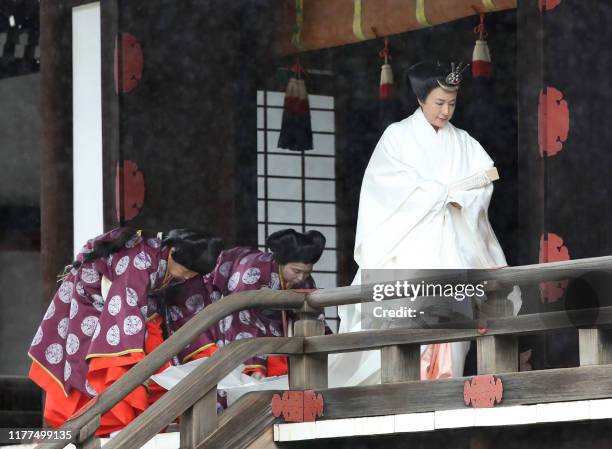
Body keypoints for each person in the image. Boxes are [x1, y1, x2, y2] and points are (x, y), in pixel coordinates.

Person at [339, 61, 519, 382]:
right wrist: (434, 194)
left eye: (451, 103)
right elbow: (385, 188)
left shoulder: (464, 142)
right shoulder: (397, 137)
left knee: (453, 326)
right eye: (439, 103)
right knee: (407, 322)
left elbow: (483, 184)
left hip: (452, 243)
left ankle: (446, 387)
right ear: (421, 99)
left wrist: (460, 198)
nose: (446, 111)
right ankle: (401, 387)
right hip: (409, 244)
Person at [27, 227, 222, 435]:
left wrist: (205, 355)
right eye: (187, 268)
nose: (188, 275)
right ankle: (89, 423)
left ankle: (144, 417)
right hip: (92, 303)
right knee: (95, 363)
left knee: (158, 357)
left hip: (135, 311)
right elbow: (125, 310)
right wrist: (137, 364)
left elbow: (190, 310)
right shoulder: (138, 259)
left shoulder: (183, 272)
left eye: (195, 272)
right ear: (172, 251)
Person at [166, 228, 326, 389]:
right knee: (216, 367)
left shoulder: (303, 280)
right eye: (296, 271)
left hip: (259, 323)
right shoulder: (252, 270)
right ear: (281, 261)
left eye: (307, 272)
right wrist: (254, 365)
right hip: (206, 301)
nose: (301, 278)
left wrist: (326, 348)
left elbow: (314, 315)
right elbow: (241, 317)